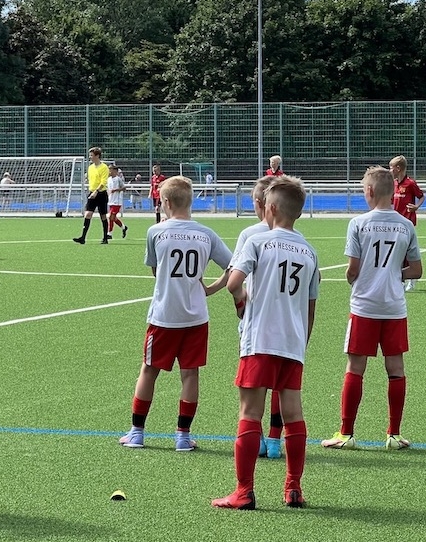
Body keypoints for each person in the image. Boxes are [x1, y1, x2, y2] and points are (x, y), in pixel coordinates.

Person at [213, 175, 319, 510]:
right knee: (293, 414)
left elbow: (233, 283)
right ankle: (293, 488)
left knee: (250, 412)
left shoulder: (258, 242)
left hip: (259, 339)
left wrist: (243, 301)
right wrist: (301, 343)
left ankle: (243, 491)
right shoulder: (310, 251)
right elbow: (311, 308)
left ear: (269, 209)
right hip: (293, 343)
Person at [119, 176, 232, 452]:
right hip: (196, 317)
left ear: (166, 202)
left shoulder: (156, 232)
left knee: (149, 370)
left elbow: (155, 270)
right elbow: (233, 267)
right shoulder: (206, 234)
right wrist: (211, 288)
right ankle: (183, 436)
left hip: (164, 315)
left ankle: (137, 432)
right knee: (190, 375)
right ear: (190, 201)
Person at [322, 166, 421, 454]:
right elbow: (416, 270)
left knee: (355, 368)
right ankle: (394, 434)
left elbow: (353, 269)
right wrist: (393, 273)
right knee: (396, 369)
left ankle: (346, 433)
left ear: (369, 191)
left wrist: (354, 277)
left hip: (364, 306)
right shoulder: (406, 225)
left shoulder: (358, 223)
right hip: (394, 307)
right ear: (393, 191)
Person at [205, 176, 286, 459]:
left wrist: (234, 301)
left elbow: (233, 275)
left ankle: (258, 438)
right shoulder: (292, 236)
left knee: (254, 381)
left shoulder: (251, 234)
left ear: (260, 203)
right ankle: (275, 440)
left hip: (255, 318)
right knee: (281, 383)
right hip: (285, 319)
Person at [390, 155, 425, 292]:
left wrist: (416, 207)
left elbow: (421, 196)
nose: (390, 170)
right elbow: (392, 202)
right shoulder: (393, 184)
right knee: (398, 251)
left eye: (391, 167)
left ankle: (410, 278)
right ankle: (402, 279)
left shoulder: (410, 183)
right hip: (396, 223)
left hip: (408, 222)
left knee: (406, 250)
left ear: (398, 168)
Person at [74, 147, 111, 244]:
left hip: (101, 194)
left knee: (103, 216)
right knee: (88, 214)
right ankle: (83, 238)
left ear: (97, 156)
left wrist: (96, 191)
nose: (90, 157)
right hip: (92, 193)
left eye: (91, 155)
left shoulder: (104, 167)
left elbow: (103, 182)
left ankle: (105, 238)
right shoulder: (90, 167)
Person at [106, 163, 128, 239]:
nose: (109, 170)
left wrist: (116, 190)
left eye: (110, 169)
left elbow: (124, 188)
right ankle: (123, 227)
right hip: (110, 200)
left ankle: (109, 234)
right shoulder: (108, 179)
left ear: (115, 171)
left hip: (117, 201)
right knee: (113, 218)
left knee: (110, 217)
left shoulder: (118, 179)